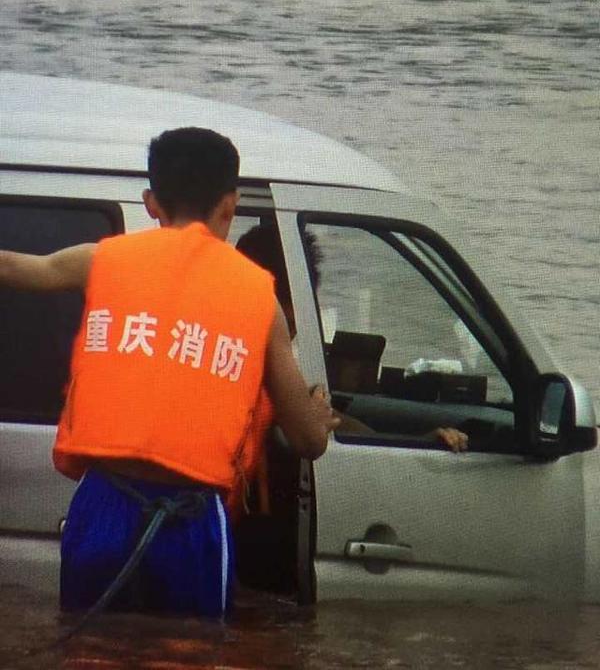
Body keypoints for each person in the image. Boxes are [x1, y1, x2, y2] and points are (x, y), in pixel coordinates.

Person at [0, 127, 338, 618]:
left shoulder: (101, 260)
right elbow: (308, 440)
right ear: (230, 205)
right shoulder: (261, 302)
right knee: (191, 650)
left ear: (151, 202)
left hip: (104, 505)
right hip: (192, 520)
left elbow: (12, 267)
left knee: (89, 646)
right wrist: (318, 417)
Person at [234, 223, 468, 480]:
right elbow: (310, 438)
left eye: (294, 327)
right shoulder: (237, 379)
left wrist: (420, 444)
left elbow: (336, 421)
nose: (290, 338)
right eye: (287, 325)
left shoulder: (267, 379)